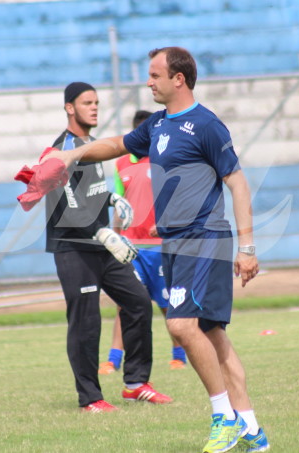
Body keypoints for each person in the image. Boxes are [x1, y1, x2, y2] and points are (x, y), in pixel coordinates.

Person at [43, 47, 268, 453]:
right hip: (176, 244)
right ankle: (252, 430)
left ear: (178, 79)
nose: (149, 82)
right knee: (213, 336)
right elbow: (114, 144)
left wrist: (248, 247)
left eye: (154, 75)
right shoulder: (158, 125)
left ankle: (224, 417)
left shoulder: (207, 125)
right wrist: (71, 154)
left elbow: (237, 183)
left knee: (182, 326)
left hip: (205, 239)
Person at [45, 81, 172, 413]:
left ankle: (135, 384)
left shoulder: (91, 145)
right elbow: (64, 199)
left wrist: (112, 198)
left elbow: (87, 191)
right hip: (74, 247)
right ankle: (90, 398)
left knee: (139, 302)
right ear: (69, 108)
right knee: (86, 321)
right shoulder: (62, 147)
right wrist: (102, 233)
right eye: (87, 103)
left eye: (97, 102)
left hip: (100, 243)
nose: (95, 107)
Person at [99, 109, 188, 374]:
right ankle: (113, 359)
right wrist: (114, 236)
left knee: (165, 303)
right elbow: (120, 204)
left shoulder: (168, 161)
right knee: (124, 304)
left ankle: (178, 354)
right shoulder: (121, 164)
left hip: (161, 247)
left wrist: (167, 224)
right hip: (131, 248)